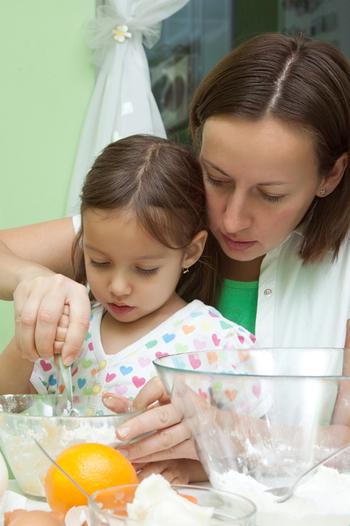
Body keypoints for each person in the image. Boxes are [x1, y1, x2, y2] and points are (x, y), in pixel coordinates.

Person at [1, 33, 350, 474]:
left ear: (331, 175)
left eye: (271, 194)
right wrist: (33, 280)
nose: (232, 219)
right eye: (217, 178)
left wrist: (224, 438)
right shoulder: (154, 224)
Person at [0, 134, 254, 481]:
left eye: (145, 269)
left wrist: (194, 468)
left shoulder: (217, 346)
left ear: (191, 253)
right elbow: (14, 410)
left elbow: (251, 451)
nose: (118, 287)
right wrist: (23, 347)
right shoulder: (74, 326)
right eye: (99, 261)